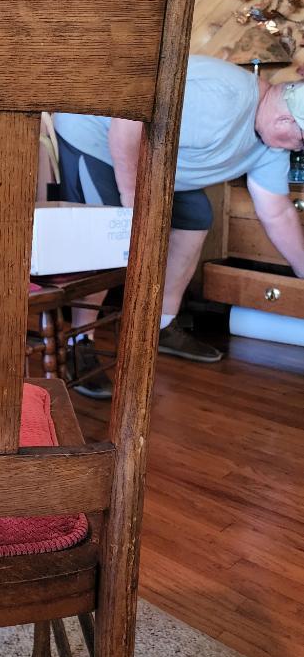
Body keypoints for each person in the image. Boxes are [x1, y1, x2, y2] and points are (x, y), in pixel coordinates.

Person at [53, 55, 304, 399]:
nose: (297, 148)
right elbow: (127, 123)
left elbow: (277, 213)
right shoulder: (222, 100)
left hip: (154, 161)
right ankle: (79, 343)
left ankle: (162, 325)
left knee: (195, 215)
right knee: (108, 233)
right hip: (98, 131)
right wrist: (132, 201)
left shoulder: (271, 145)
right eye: (300, 141)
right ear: (286, 117)